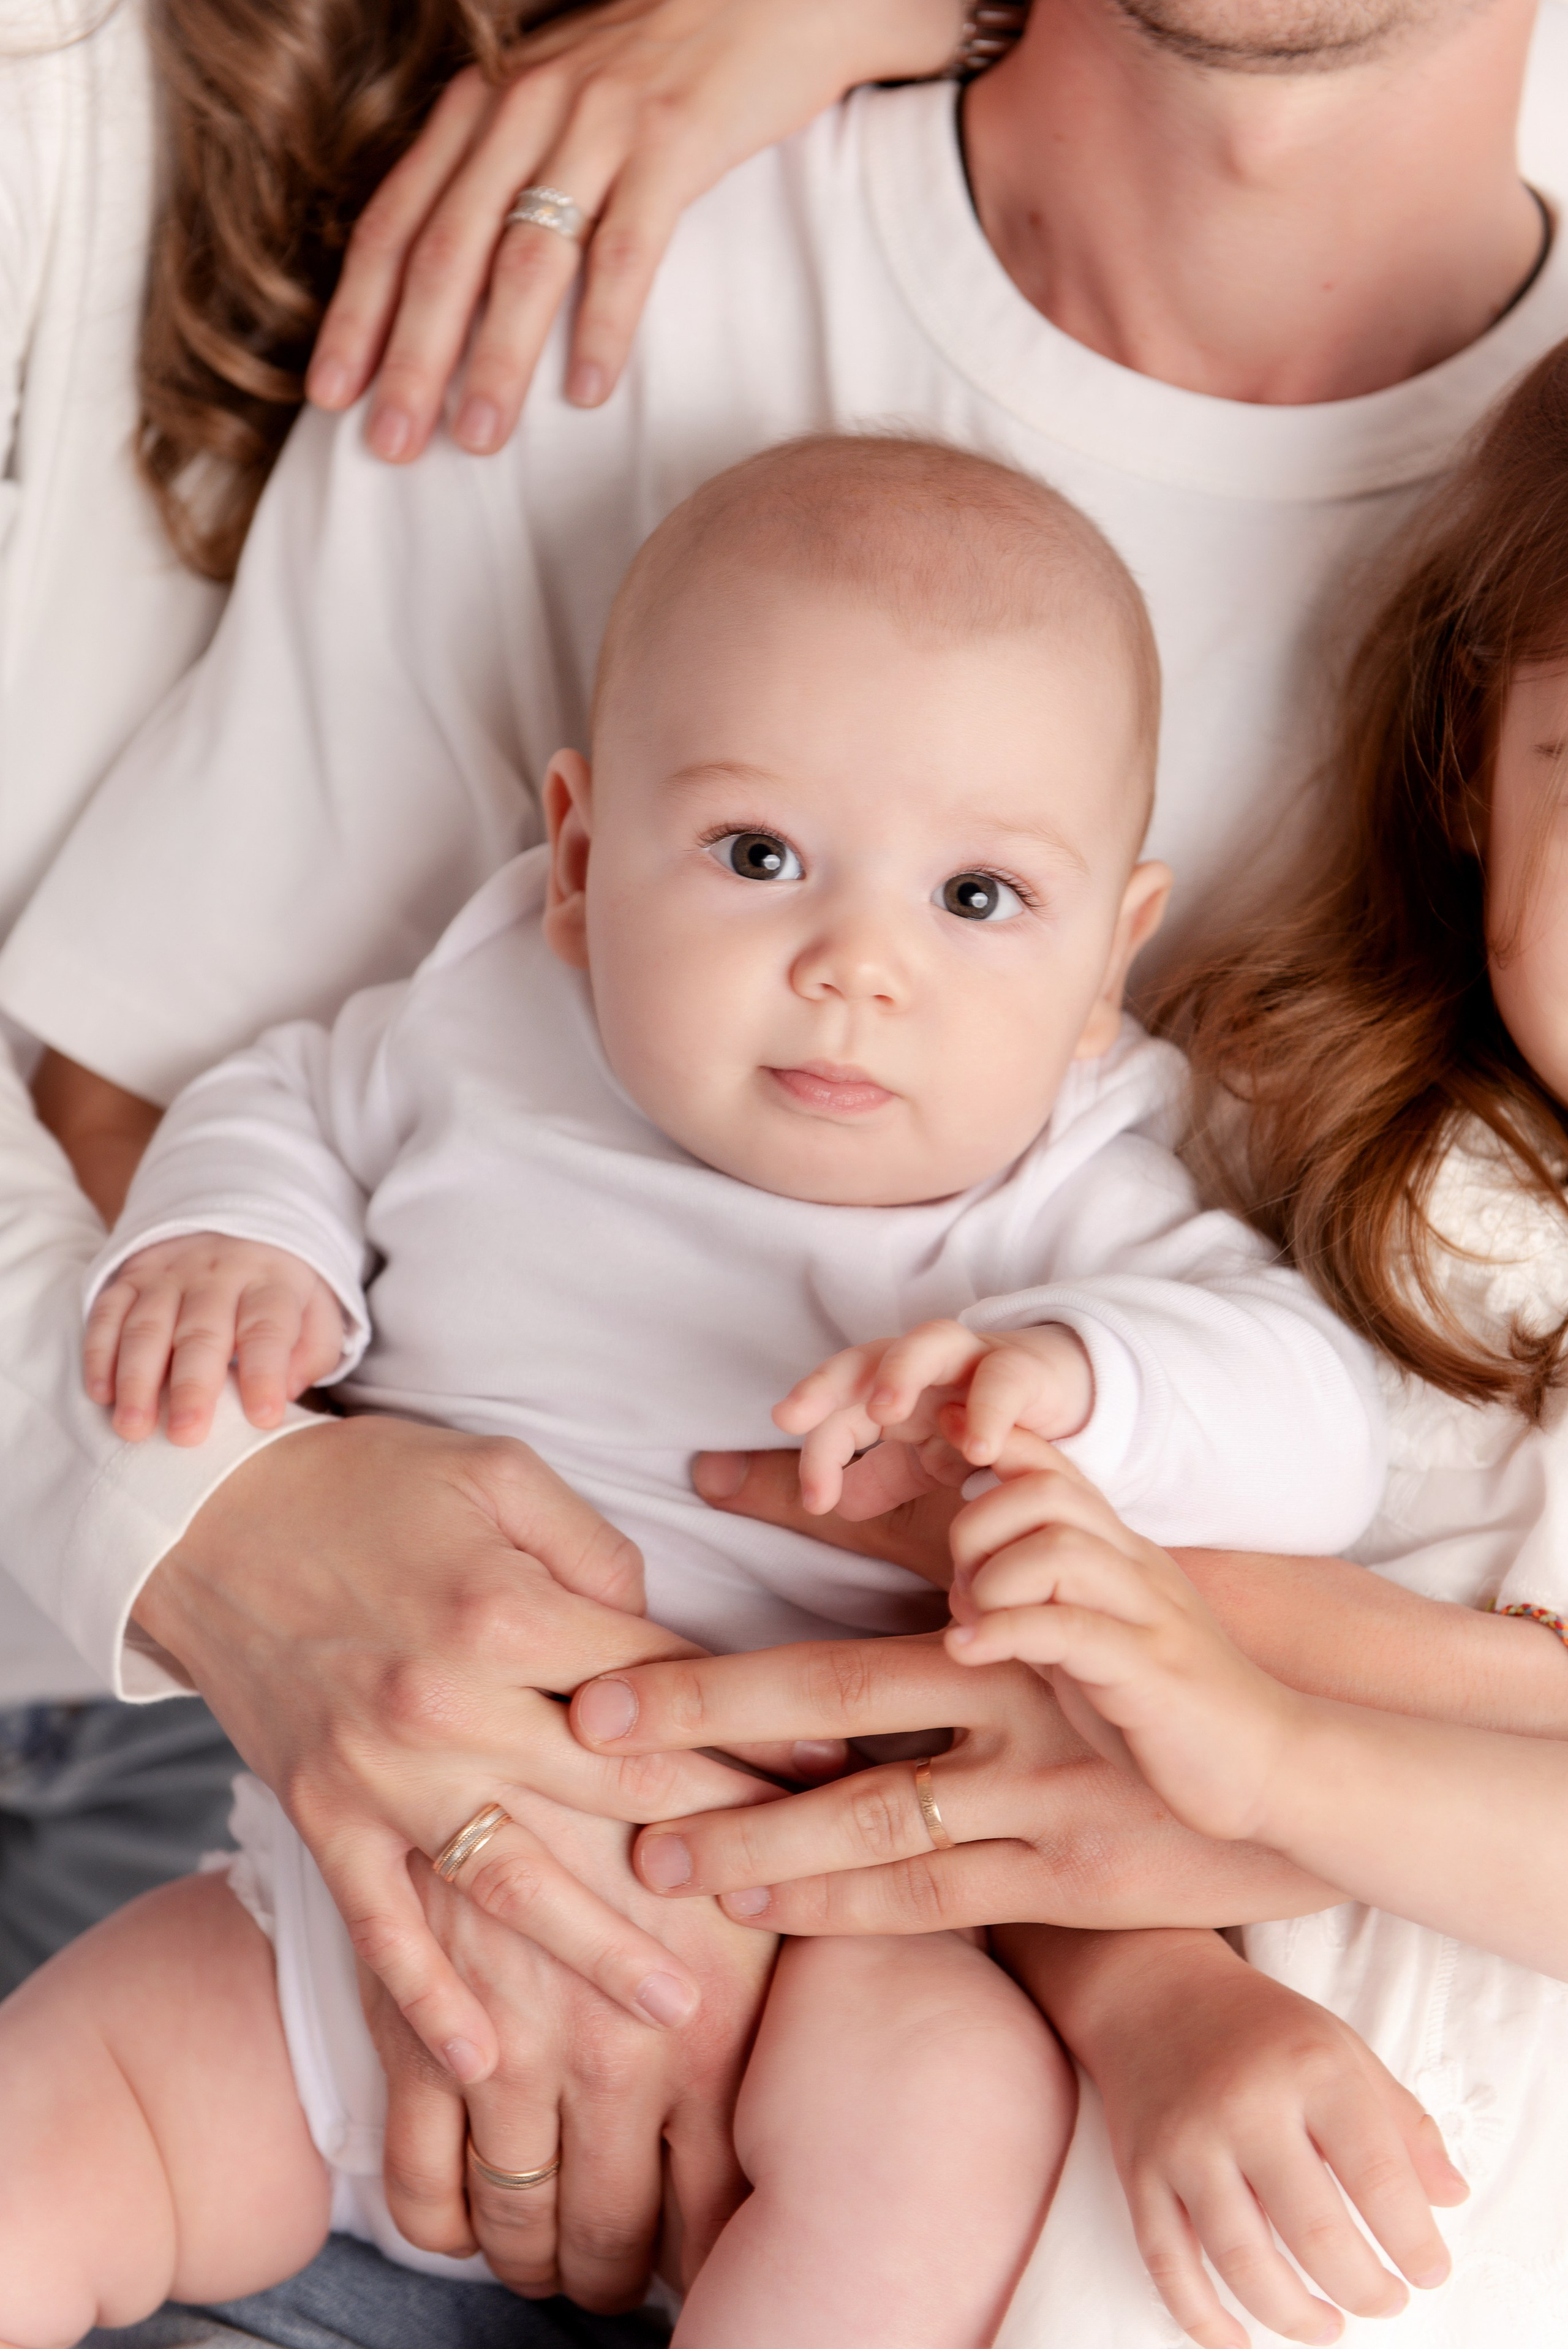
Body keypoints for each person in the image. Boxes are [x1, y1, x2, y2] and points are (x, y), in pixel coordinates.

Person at [10, 0, 1568, 2328]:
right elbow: (211, 1098)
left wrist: (1091, 1432)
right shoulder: (609, 272)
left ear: (1114, 950)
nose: (854, 970)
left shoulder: (1521, 546)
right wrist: (245, 1453)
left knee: (928, 2124)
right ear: (577, 856)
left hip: (929, 2003)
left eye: (980, 900)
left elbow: (1294, 1429)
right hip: (339, 1866)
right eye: (755, 856)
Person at [561, 349, 1568, 2345]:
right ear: (1475, 757)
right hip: (1104, 2248)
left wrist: (1282, 1747)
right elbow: (983, 1698)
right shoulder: (1302, 1171)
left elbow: (1151, 1689)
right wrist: (1155, 1996)